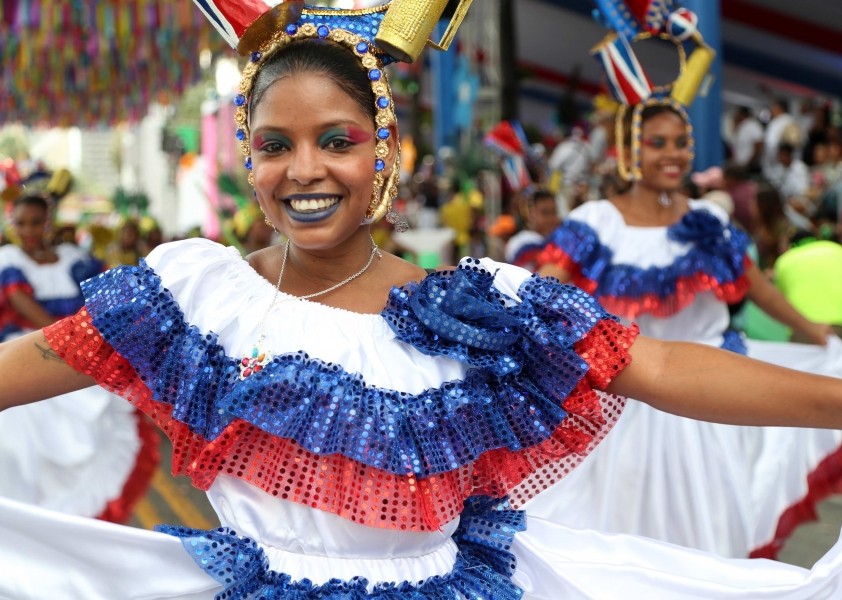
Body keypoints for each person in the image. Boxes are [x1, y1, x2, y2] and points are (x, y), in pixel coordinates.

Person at [6, 4, 842, 599]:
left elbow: (656, 364)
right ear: (249, 162)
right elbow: (37, 360)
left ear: (385, 153)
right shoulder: (194, 296)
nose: (304, 170)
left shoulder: (469, 309)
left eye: (338, 141)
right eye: (274, 146)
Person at [532, 101, 842, 559]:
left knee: (711, 528)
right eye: (657, 143)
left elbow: (758, 289)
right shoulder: (594, 222)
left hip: (708, 401)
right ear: (628, 151)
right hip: (622, 406)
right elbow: (542, 288)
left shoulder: (709, 223)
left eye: (681, 143)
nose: (672, 154)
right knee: (618, 531)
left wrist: (812, 331)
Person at [0, 194, 158, 523]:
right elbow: (20, 301)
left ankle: (71, 527)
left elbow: (102, 293)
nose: (29, 230)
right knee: (24, 440)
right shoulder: (8, 259)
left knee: (98, 434)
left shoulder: (74, 258)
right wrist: (74, 338)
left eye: (36, 222)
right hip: (29, 350)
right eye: (22, 223)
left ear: (48, 222)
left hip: (77, 352)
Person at [504, 189, 560, 270]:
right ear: (529, 213)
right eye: (545, 213)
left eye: (554, 212)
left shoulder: (556, 240)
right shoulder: (520, 242)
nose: (551, 218)